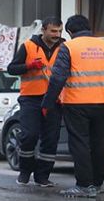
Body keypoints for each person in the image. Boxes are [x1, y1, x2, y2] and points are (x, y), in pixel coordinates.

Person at [42, 14, 104, 198]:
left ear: (69, 31)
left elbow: (58, 77)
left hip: (76, 103)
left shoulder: (68, 47)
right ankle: (97, 184)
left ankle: (84, 185)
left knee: (80, 143)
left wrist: (47, 103)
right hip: (102, 103)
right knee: (99, 144)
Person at [6, 17, 65, 187]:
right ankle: (25, 172)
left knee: (51, 139)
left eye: (59, 31)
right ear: (44, 30)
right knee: (29, 135)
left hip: (54, 98)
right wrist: (29, 65)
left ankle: (42, 176)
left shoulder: (64, 47)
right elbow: (11, 69)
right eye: (53, 31)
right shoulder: (28, 46)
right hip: (31, 98)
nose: (57, 34)